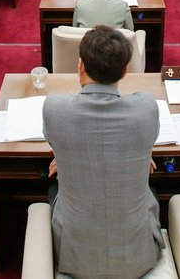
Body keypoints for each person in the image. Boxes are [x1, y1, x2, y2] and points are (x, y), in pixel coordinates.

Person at [42, 26, 163, 279]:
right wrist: (140, 152)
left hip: (72, 255)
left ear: (80, 66)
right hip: (140, 255)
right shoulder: (146, 107)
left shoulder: (55, 107)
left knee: (52, 185)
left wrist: (65, 159)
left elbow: (53, 140)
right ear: (125, 70)